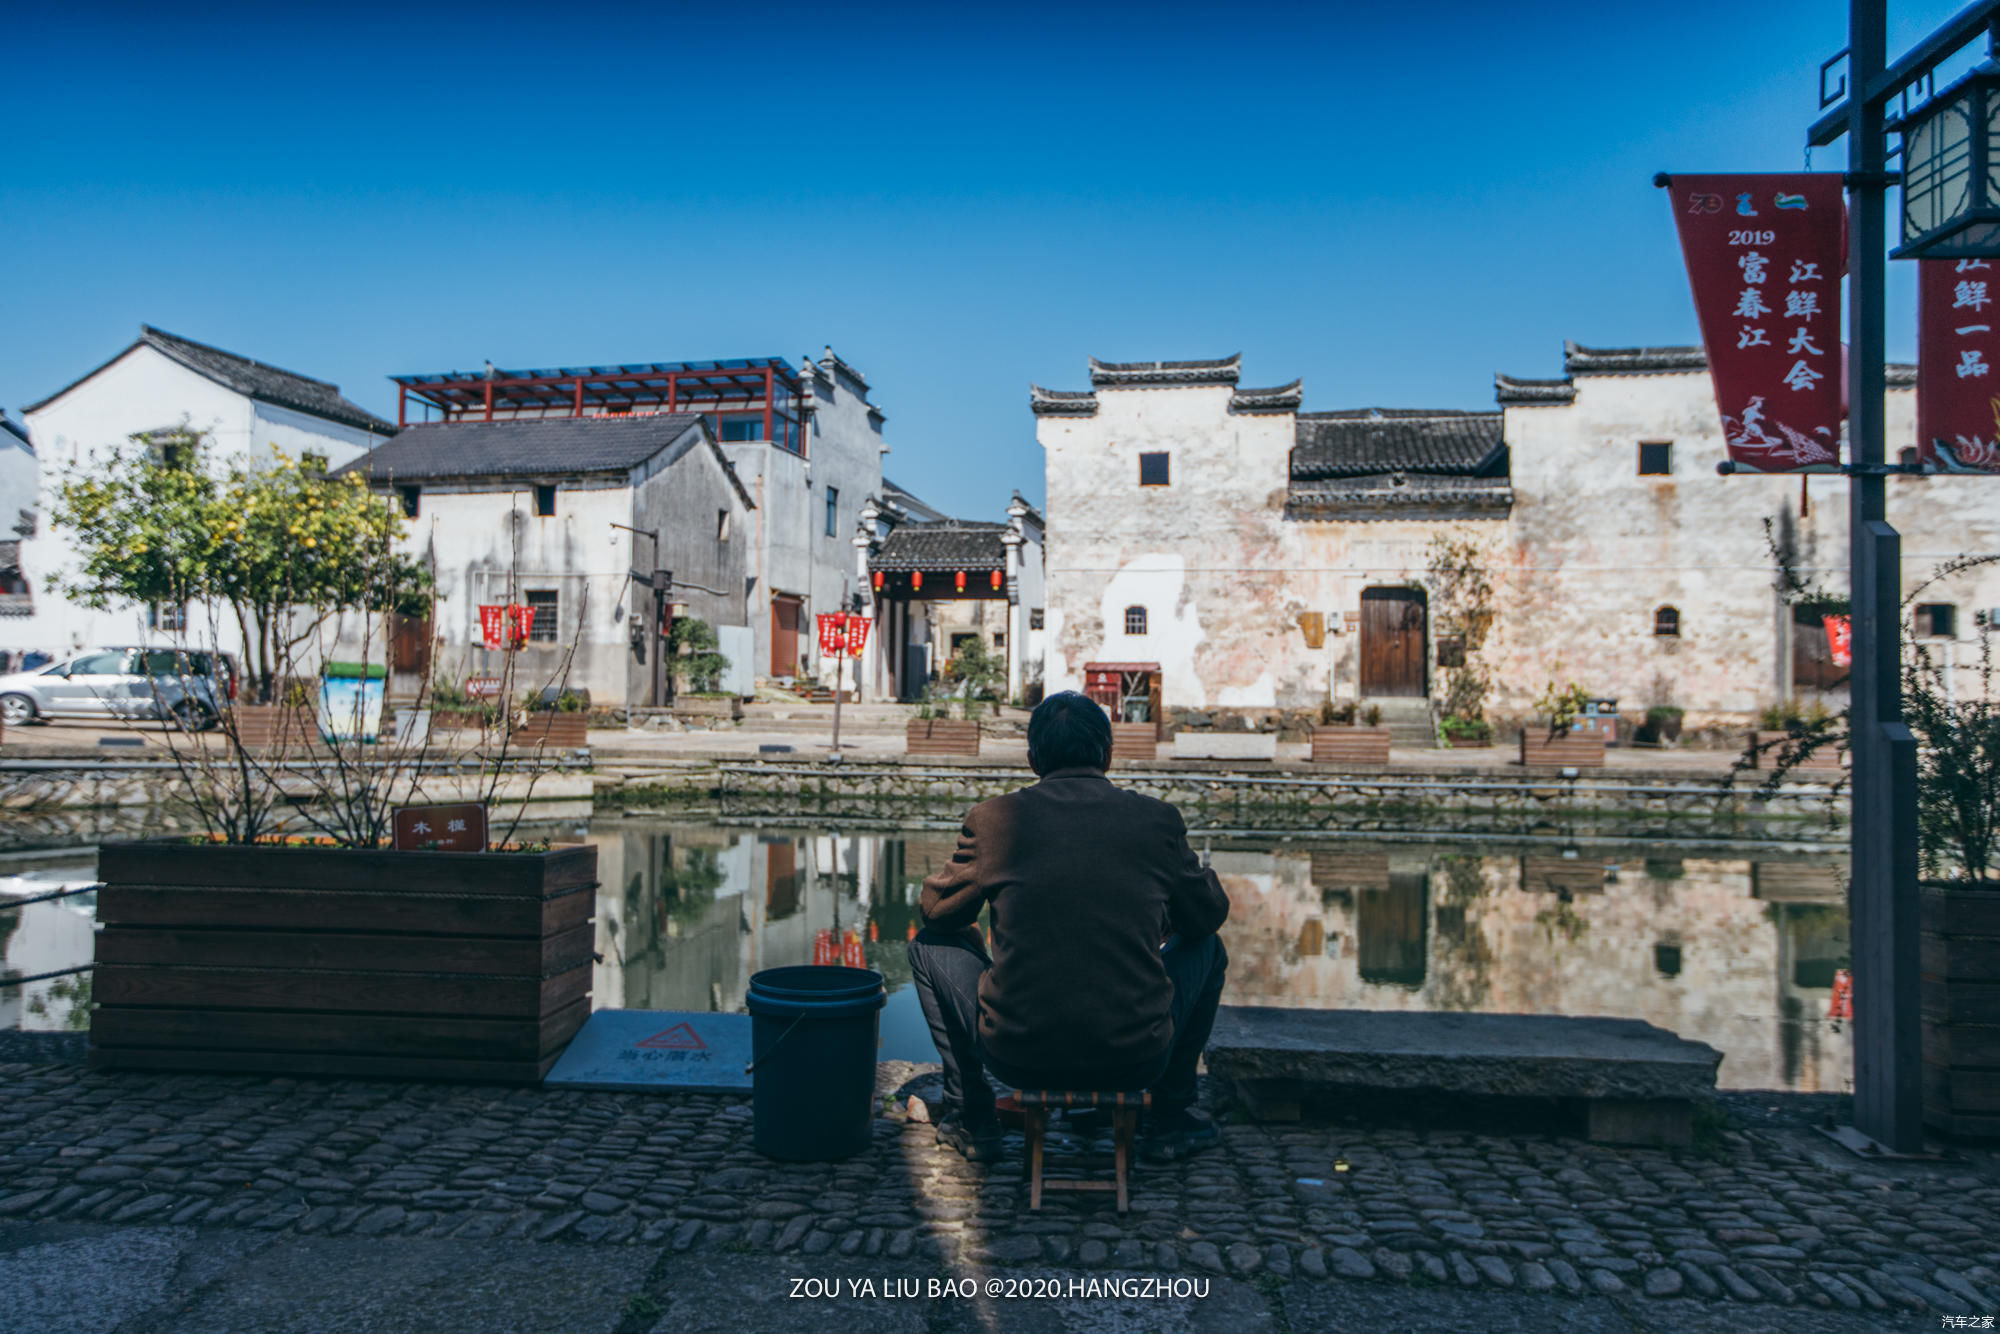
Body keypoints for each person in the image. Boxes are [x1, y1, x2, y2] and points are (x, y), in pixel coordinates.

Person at [906, 690, 1230, 1163]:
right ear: (1109, 754)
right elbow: (1207, 916)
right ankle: (1171, 1116)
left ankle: (973, 1115)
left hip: (1018, 1056)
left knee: (929, 946)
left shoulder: (994, 819)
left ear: (1032, 758)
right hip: (1137, 1056)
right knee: (1208, 948)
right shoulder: (1156, 820)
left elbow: (936, 912)